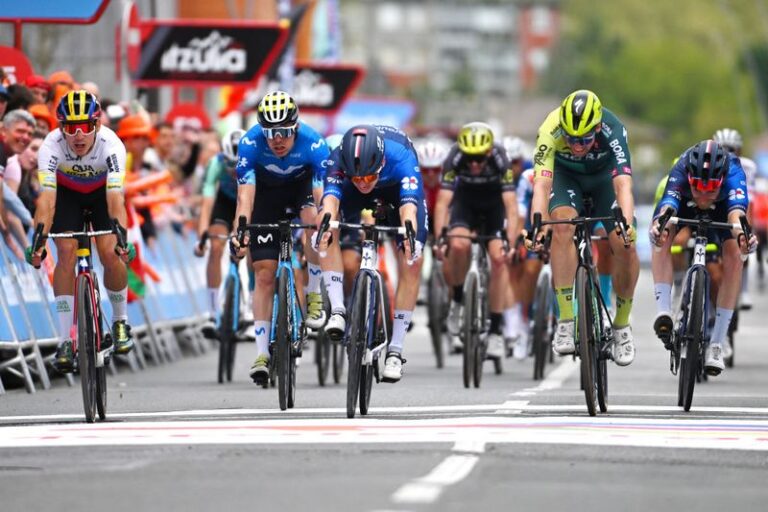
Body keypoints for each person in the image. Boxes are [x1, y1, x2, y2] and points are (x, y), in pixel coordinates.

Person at [26, 90, 135, 372]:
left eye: (85, 126)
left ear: (97, 125)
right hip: (67, 196)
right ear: (60, 127)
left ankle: (121, 321)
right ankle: (65, 340)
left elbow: (115, 199)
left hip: (102, 196)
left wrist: (122, 237)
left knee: (110, 254)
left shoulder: (112, 145)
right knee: (64, 252)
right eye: (69, 127)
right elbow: (47, 200)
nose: (77, 135)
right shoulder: (51, 146)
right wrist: (38, 240)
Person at [528, 89, 639, 366]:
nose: (577, 146)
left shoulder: (613, 129)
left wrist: (626, 222)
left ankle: (621, 325)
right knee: (562, 226)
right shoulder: (549, 129)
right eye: (571, 138)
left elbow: (623, 184)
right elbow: (541, 185)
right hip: (567, 178)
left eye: (585, 139)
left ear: (598, 127)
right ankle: (566, 320)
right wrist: (537, 226)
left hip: (604, 179)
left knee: (624, 243)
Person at [229, 91, 329, 384]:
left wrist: (324, 226)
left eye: (284, 132)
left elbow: (323, 195)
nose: (277, 139)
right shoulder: (249, 143)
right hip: (265, 197)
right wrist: (241, 233)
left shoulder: (314, 143)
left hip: (302, 189)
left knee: (313, 221)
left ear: (296, 127)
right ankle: (261, 353)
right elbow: (244, 198)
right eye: (270, 132)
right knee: (263, 274)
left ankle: (313, 294)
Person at [315, 124, 427, 382]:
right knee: (326, 229)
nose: (363, 183)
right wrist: (326, 223)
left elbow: (409, 206)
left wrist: (408, 232)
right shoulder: (337, 159)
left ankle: (396, 350)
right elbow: (330, 201)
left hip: (395, 191)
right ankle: (339, 311)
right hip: (349, 196)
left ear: (381, 161)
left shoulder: (401, 156)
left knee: (413, 258)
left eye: (367, 177)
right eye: (357, 178)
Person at [650, 140, 757, 375]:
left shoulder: (734, 172)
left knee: (735, 256)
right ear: (690, 178)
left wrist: (743, 238)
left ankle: (717, 343)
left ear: (721, 181)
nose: (703, 196)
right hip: (683, 205)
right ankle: (664, 310)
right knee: (662, 234)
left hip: (723, 209)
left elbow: (737, 215)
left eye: (710, 189)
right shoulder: (682, 166)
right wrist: (659, 226)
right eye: (698, 188)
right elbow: (668, 205)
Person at [433, 123, 518, 360]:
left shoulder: (501, 158)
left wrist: (510, 242)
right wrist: (441, 238)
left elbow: (511, 206)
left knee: (499, 258)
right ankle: (459, 301)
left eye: (479, 159)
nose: (474, 164)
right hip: (465, 204)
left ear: (489, 152)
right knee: (458, 244)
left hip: (494, 207)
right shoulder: (455, 156)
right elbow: (442, 202)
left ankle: (495, 331)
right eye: (470, 159)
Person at [194, 128, 247, 334]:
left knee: (249, 246)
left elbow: (247, 204)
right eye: (230, 166)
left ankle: (249, 307)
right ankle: (213, 310)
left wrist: (239, 232)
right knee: (216, 247)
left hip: (248, 200)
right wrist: (202, 236)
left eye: (238, 167)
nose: (234, 172)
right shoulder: (215, 163)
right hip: (225, 202)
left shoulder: (255, 162)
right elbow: (207, 204)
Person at [713, 128, 757, 311]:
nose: (728, 152)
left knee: (743, 238)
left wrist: (747, 230)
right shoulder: (711, 161)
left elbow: (750, 199)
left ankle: (744, 290)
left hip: (738, 203)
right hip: (716, 203)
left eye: (732, 148)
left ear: (739, 150)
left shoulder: (747, 166)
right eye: (724, 148)